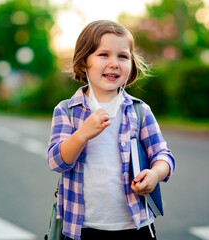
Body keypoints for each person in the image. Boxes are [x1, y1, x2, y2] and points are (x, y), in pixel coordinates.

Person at [47, 20, 175, 240]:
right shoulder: (66, 110)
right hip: (81, 228)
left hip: (134, 226)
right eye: (103, 55)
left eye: (123, 56)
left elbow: (164, 156)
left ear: (132, 64)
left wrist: (154, 175)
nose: (114, 63)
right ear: (83, 62)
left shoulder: (139, 111)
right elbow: (57, 162)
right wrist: (83, 133)